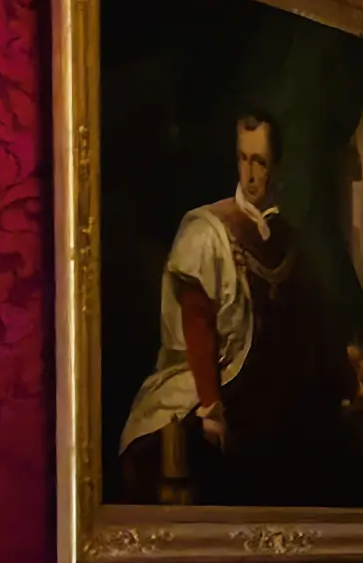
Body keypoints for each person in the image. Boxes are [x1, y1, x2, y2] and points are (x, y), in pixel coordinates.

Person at [117, 111, 341, 504]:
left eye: (260, 162)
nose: (250, 174)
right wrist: (212, 407)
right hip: (213, 381)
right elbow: (197, 321)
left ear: (278, 167)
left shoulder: (288, 238)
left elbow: (310, 324)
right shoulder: (208, 230)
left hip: (271, 388)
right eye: (243, 159)